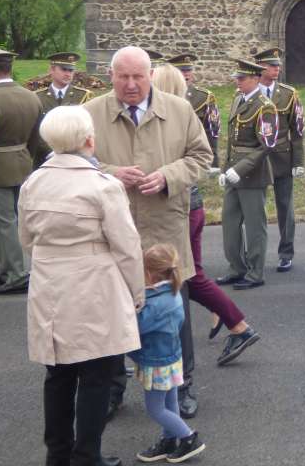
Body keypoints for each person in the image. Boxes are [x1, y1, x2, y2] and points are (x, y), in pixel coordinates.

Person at [84, 46, 212, 420]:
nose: (130, 85)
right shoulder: (91, 114)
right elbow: (78, 161)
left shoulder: (179, 110)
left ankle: (183, 383)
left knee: (174, 311)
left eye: (138, 77)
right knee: (112, 312)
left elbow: (201, 157)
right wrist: (110, 172)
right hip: (113, 231)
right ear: (111, 76)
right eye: (122, 77)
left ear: (150, 76)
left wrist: (169, 176)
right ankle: (112, 387)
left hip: (164, 229)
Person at [19, 105, 144, 466]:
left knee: (57, 374)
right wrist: (136, 294)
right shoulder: (102, 186)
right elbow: (127, 247)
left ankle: (57, 455)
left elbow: (26, 238)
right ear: (89, 138)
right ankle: (87, 456)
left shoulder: (33, 183)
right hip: (95, 284)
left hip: (49, 283)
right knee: (96, 375)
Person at [152, 64, 260, 367]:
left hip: (179, 208)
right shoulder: (185, 114)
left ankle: (234, 324)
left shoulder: (167, 120)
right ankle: (229, 319)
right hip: (193, 204)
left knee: (186, 275)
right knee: (193, 274)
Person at [131, 243, 206, 463]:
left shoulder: (154, 303)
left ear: (149, 274)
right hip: (171, 358)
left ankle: (188, 437)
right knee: (170, 402)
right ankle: (169, 439)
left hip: (156, 362)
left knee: (155, 409)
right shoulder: (173, 294)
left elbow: (137, 328)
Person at [216, 59, 279, 290]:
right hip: (233, 172)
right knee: (230, 223)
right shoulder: (237, 100)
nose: (237, 82)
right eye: (237, 78)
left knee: (254, 226)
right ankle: (236, 267)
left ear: (255, 79)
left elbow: (267, 145)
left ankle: (255, 272)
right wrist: (225, 169)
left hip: (252, 175)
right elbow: (232, 142)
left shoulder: (265, 107)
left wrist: (238, 169)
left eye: (242, 78)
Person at [0, 48, 43, 295]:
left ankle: (14, 273)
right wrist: (26, 159)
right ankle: (16, 268)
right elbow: (36, 137)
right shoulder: (31, 97)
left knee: (3, 224)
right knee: (18, 220)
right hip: (23, 163)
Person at [253, 47, 305, 273]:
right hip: (255, 159)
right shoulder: (249, 93)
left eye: (277, 65)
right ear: (261, 68)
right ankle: (256, 254)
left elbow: (298, 129)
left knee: (285, 208)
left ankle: (286, 253)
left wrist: (298, 162)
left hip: (282, 157)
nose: (276, 69)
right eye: (271, 65)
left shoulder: (288, 94)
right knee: (256, 209)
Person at [32, 52, 93, 168]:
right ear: (51, 70)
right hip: (43, 159)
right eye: (64, 69)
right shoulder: (38, 97)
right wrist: (52, 150)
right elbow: (34, 129)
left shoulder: (82, 96)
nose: (68, 74)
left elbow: (87, 129)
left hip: (75, 158)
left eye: (71, 70)